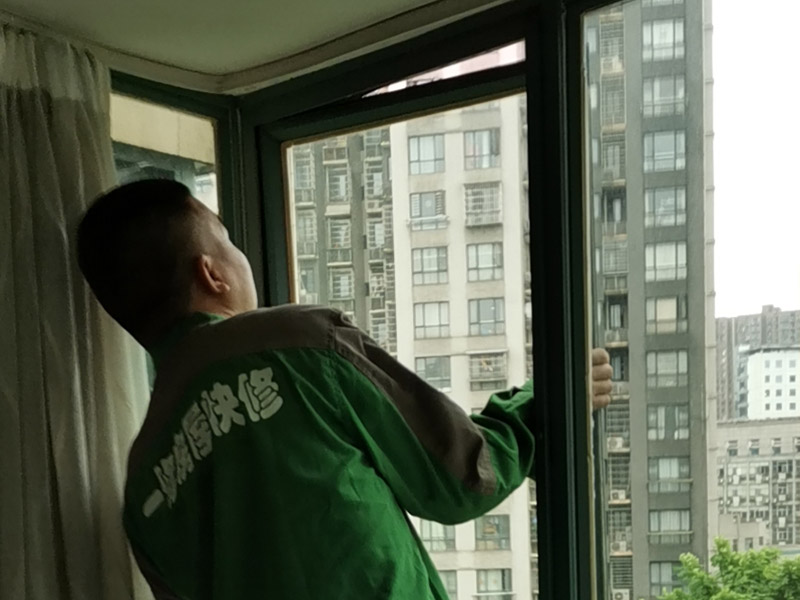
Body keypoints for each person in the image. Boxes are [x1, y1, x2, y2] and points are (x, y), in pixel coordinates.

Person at [77, 179, 613, 600]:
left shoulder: (143, 486)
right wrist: (544, 402)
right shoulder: (300, 343)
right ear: (212, 274)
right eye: (230, 241)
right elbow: (465, 476)